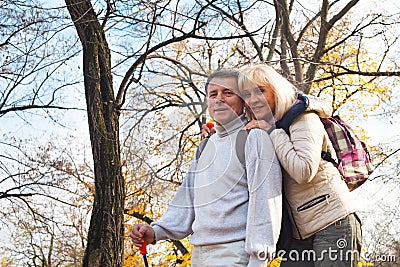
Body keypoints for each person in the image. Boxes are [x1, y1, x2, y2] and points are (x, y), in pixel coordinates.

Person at [130, 69, 283, 266]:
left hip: (236, 253)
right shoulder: (205, 146)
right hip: (199, 254)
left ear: (243, 101)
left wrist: (258, 258)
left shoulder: (254, 138)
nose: (219, 99)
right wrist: (156, 231)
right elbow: (186, 199)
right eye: (213, 94)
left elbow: (266, 202)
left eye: (228, 93)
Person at [233, 64, 362, 267]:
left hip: (333, 223)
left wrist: (273, 132)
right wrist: (214, 138)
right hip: (299, 233)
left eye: (261, 90)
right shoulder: (268, 126)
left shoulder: (302, 118)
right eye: (247, 94)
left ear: (276, 89)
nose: (253, 99)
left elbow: (303, 171)